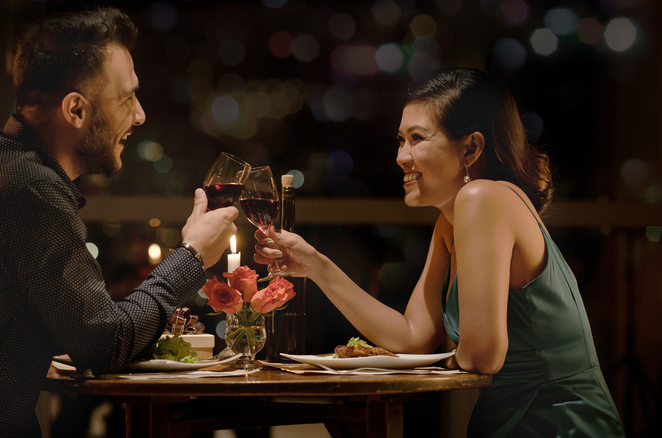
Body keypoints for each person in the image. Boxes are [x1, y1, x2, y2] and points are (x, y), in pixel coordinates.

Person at [0, 6, 238, 437]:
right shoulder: (30, 192)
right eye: (126, 98)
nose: (140, 115)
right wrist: (193, 254)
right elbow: (105, 343)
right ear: (75, 110)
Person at [254, 68, 625, 437]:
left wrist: (446, 358)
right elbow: (412, 336)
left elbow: (483, 356)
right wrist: (316, 265)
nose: (401, 156)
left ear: (471, 148)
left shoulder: (483, 199)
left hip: (558, 424)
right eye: (400, 140)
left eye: (417, 138)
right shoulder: (450, 222)